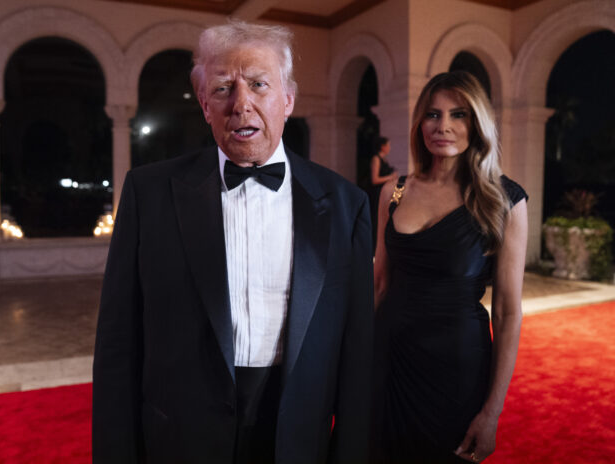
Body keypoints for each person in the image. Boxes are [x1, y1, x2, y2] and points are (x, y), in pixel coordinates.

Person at [92, 20, 374, 464]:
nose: (241, 104)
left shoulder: (346, 204)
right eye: (223, 88)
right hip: (181, 438)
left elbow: (357, 351)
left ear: (288, 99)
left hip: (296, 436)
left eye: (259, 84)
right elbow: (117, 343)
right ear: (205, 105)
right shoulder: (149, 194)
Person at [370, 71, 527, 464]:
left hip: (456, 370)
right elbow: (380, 284)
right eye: (432, 115)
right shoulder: (395, 191)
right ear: (419, 122)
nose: (443, 127)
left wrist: (492, 412)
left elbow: (507, 312)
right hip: (386, 362)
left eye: (458, 115)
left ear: (476, 124)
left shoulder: (504, 199)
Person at [368, 137, 397, 248]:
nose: (389, 148)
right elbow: (374, 179)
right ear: (382, 146)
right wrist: (390, 177)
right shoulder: (376, 159)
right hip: (377, 194)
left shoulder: (384, 159)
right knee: (376, 219)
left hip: (384, 193)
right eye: (388, 145)